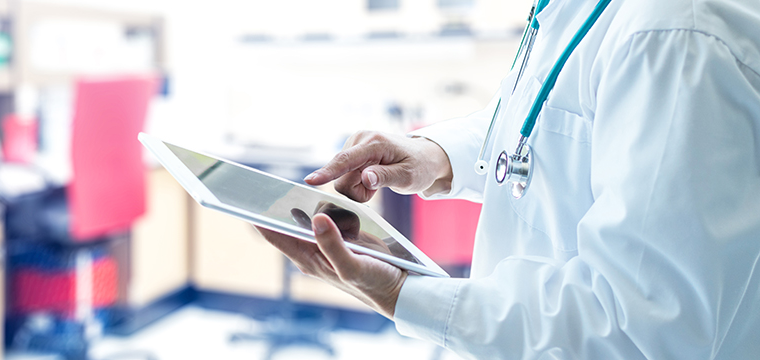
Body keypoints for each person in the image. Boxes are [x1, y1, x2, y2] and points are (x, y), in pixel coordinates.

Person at [257, 0, 760, 358]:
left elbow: (643, 332)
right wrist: (433, 154)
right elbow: (543, 124)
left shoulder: (677, 31)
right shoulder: (571, 10)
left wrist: (402, 294)